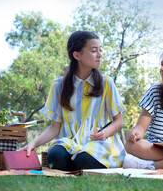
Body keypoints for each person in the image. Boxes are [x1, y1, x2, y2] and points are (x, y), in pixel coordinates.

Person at [21, 31, 126, 171]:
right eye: (94, 50)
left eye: (100, 50)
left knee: (85, 158)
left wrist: (105, 133)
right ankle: (75, 165)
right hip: (69, 141)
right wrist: (33, 143)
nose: (100, 55)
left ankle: (78, 164)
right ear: (77, 55)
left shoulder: (106, 83)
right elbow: (54, 127)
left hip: (97, 141)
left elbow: (119, 122)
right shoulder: (59, 85)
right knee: (55, 156)